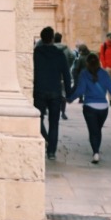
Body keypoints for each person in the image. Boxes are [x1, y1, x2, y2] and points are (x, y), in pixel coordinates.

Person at [69, 53, 111, 162]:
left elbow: (80, 90)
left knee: (93, 131)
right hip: (103, 109)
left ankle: (95, 152)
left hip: (89, 107)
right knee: (98, 130)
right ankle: (96, 150)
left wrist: (70, 99)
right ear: (98, 62)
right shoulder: (104, 74)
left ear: (87, 63)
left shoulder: (84, 74)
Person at [34, 24, 71, 160]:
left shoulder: (36, 53)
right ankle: (51, 151)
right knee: (54, 122)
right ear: (52, 39)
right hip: (55, 91)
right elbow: (66, 75)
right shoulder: (59, 54)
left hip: (39, 90)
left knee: (38, 118)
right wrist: (69, 93)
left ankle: (46, 139)